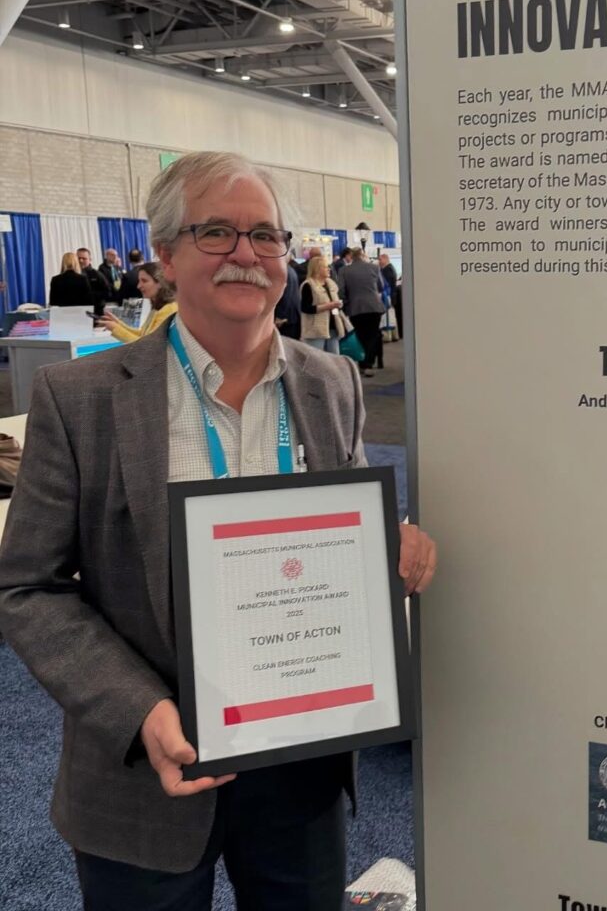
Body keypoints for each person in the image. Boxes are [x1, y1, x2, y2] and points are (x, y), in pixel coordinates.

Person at [0, 150, 437, 911]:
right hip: (147, 772)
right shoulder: (81, 399)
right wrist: (141, 711)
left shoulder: (330, 383)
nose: (247, 255)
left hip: (301, 767)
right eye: (217, 233)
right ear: (164, 252)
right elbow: (28, 588)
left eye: (266, 235)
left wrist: (388, 548)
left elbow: (338, 534)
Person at [96, 262, 177, 342]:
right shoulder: (157, 308)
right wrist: (118, 323)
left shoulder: (168, 310)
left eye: (144, 281)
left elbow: (149, 345)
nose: (139, 286)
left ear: (160, 283)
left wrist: (115, 328)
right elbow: (142, 334)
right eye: (139, 281)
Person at [338, 248, 384, 377]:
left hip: (355, 308)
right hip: (374, 307)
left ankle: (361, 363)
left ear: (351, 257)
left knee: (359, 335)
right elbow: (381, 286)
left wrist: (346, 304)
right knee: (372, 335)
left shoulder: (344, 270)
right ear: (363, 256)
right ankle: (368, 364)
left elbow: (341, 291)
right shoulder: (374, 268)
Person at [300, 254, 345, 354]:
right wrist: (329, 306)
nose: (329, 269)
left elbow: (335, 302)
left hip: (333, 326)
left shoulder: (331, 283)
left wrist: (338, 306)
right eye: (325, 267)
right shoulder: (308, 285)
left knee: (335, 358)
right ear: (317, 269)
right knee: (317, 359)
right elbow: (306, 308)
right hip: (316, 329)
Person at [273, 260, 301, 340]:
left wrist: (280, 316)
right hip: (294, 315)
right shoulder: (291, 270)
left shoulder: (282, 272)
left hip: (285, 318)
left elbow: (285, 295)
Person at [378, 252, 401, 340]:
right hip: (391, 296)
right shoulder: (390, 268)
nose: (379, 262)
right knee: (391, 317)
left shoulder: (387, 270)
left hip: (388, 297)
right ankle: (394, 335)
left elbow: (385, 285)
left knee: (387, 318)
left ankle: (388, 337)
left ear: (385, 259)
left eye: (380, 259)